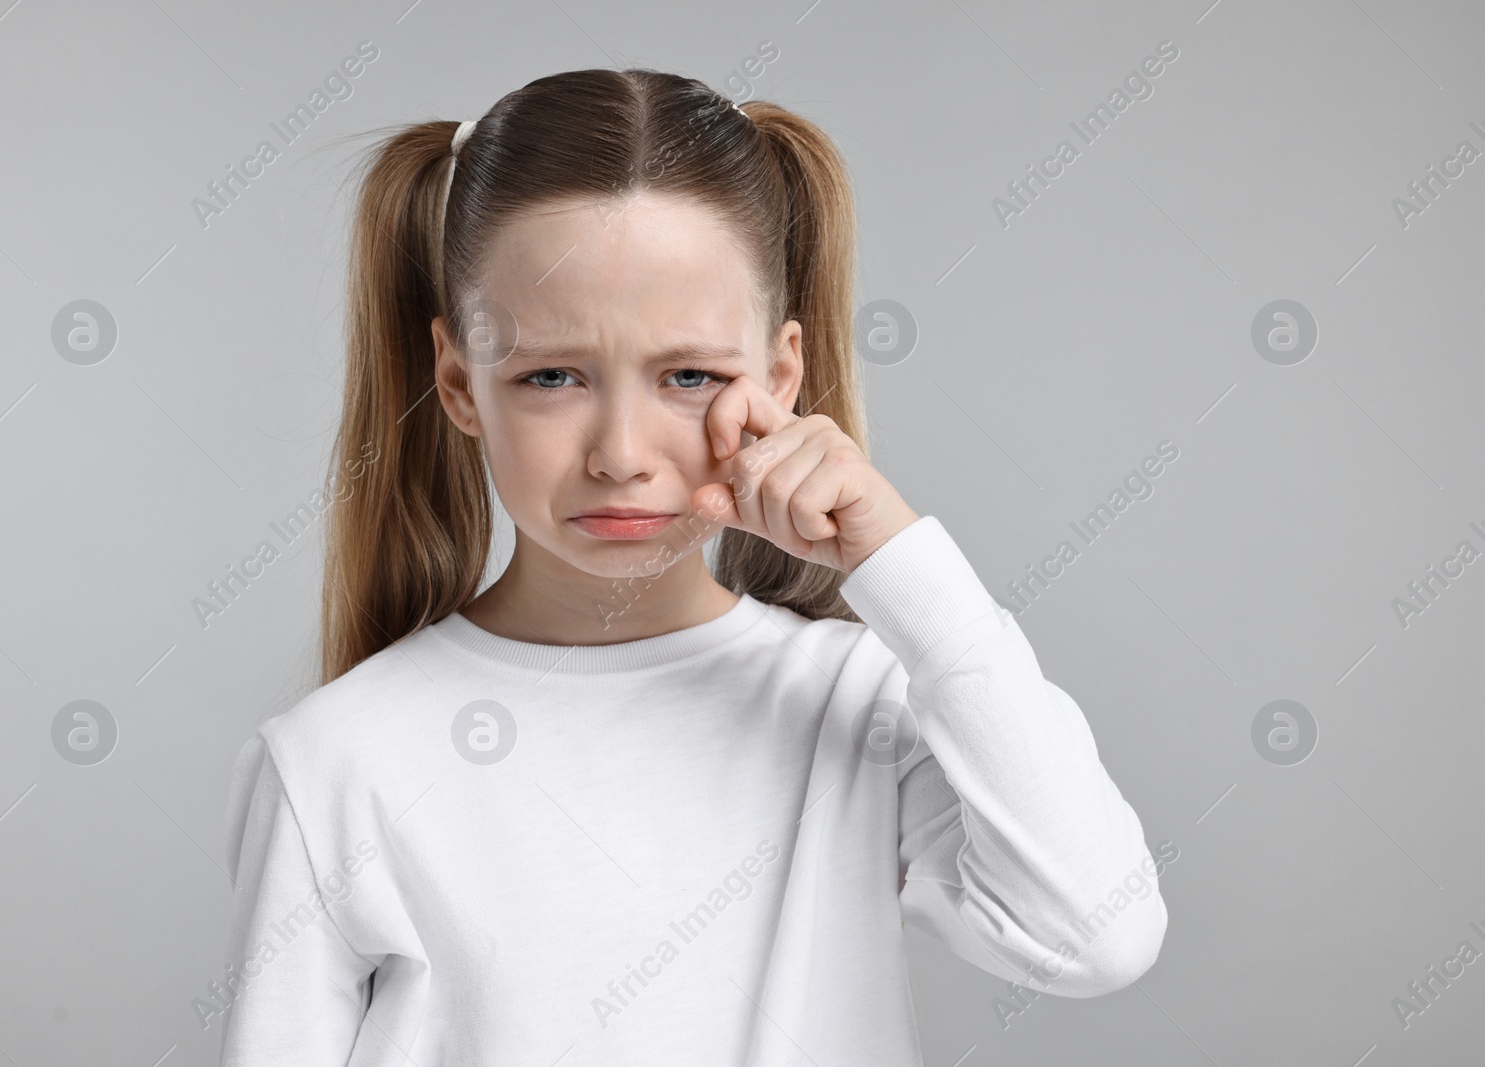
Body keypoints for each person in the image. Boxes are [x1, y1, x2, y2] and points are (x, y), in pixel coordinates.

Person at [216, 67, 1167, 1065]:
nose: (621, 450)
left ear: (781, 378)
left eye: (689, 377)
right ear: (459, 384)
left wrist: (900, 563)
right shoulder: (337, 757)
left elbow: (1095, 933)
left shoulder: (857, 706)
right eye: (551, 375)